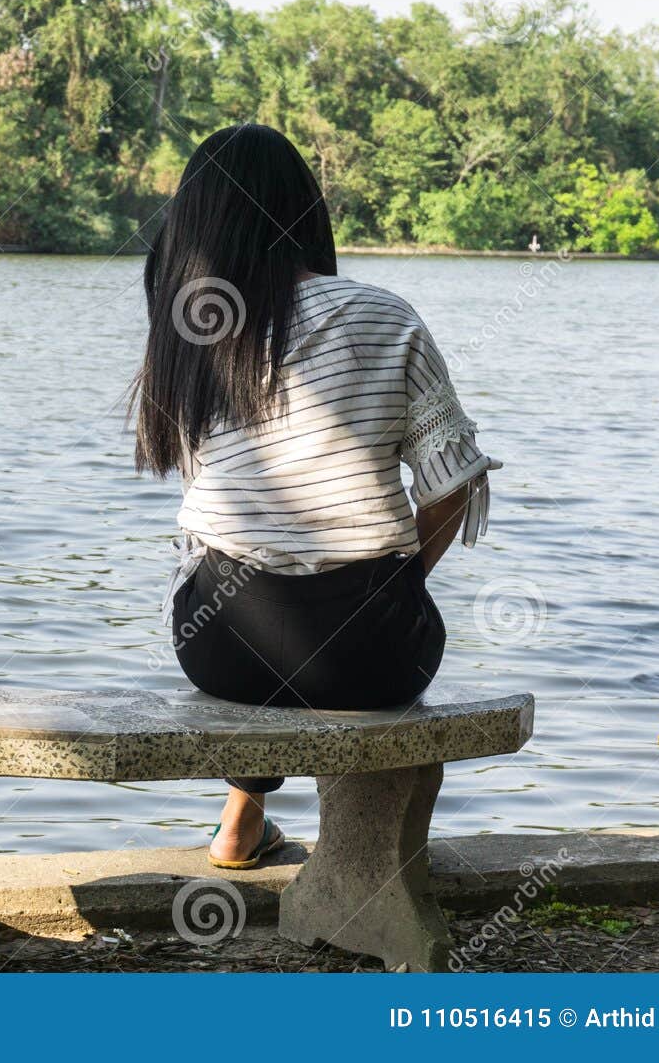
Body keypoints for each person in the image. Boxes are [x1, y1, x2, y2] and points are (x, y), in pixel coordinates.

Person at [131, 124, 501, 870]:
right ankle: (357, 864)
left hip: (220, 645)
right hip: (376, 654)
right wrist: (389, 583)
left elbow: (222, 507)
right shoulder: (385, 315)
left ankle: (241, 816)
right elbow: (453, 486)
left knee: (221, 561)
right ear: (306, 213)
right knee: (335, 611)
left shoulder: (193, 331)